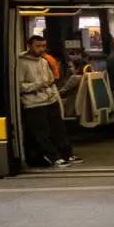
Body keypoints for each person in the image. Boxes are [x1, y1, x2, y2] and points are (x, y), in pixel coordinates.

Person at [18, 35, 81, 168]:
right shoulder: (21, 63)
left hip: (50, 100)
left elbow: (51, 82)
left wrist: (54, 96)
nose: (41, 49)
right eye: (38, 46)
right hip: (34, 103)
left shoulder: (44, 61)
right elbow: (20, 85)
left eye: (43, 46)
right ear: (29, 46)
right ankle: (53, 157)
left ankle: (66, 154)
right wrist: (39, 85)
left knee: (59, 129)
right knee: (42, 133)